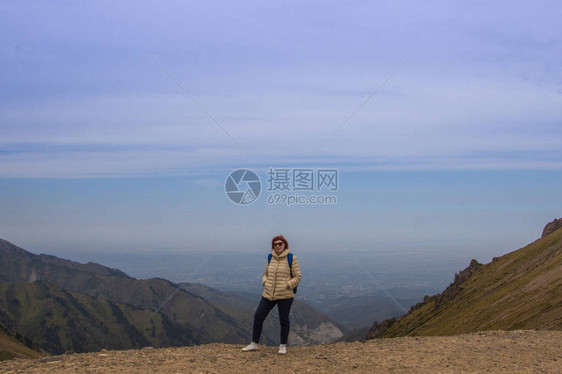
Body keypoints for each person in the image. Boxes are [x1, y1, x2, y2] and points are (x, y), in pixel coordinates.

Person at [242, 235, 301, 355]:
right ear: (273, 246)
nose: (278, 246)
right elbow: (265, 273)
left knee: (283, 320)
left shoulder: (291, 258)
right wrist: (265, 281)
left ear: (285, 245)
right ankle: (254, 343)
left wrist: (287, 285)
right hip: (268, 294)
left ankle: (283, 345)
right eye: (275, 244)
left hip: (285, 295)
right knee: (258, 316)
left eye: (280, 243)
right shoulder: (270, 257)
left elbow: (297, 276)